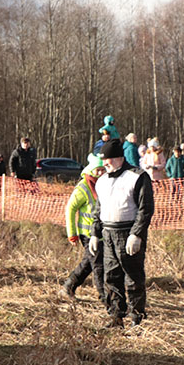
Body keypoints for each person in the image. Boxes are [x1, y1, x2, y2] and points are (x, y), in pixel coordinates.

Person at [91, 138, 154, 328]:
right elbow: (98, 209)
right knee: (111, 277)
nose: (105, 164)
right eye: (102, 160)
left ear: (119, 158)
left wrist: (137, 234)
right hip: (108, 233)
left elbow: (146, 209)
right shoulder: (101, 181)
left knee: (133, 277)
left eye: (108, 160)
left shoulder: (137, 176)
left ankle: (137, 318)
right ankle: (116, 316)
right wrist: (95, 233)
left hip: (128, 234)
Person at [60, 154, 106, 302]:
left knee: (88, 263)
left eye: (102, 169)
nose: (100, 173)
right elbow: (70, 209)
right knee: (98, 265)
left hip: (102, 233)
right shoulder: (83, 187)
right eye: (97, 170)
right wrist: (72, 234)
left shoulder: (105, 184)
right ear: (91, 170)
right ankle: (105, 297)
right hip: (87, 234)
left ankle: (68, 287)